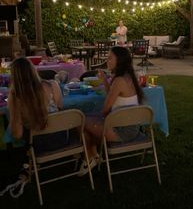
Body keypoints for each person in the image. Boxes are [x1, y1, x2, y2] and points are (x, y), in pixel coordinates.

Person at [78, 46, 143, 176]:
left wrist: (100, 120)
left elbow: (106, 109)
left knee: (80, 122)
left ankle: (91, 156)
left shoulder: (119, 80)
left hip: (122, 131)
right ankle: (92, 157)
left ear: (120, 60)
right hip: (132, 126)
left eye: (110, 58)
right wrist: (105, 82)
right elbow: (114, 97)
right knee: (87, 127)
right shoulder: (129, 76)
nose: (107, 60)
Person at [8, 57, 63, 146]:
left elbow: (17, 134)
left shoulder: (15, 97)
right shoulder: (53, 85)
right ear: (33, 70)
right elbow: (60, 110)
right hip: (62, 138)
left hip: (37, 144)